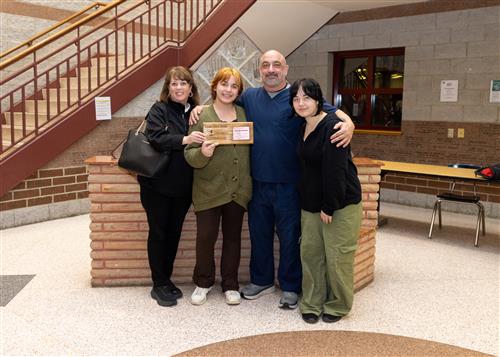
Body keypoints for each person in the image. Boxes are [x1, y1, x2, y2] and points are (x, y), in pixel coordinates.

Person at [190, 50, 355, 309]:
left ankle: (290, 286)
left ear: (285, 68)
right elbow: (224, 99)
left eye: (276, 65)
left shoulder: (297, 98)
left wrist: (350, 124)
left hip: (290, 184)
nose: (271, 70)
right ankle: (262, 280)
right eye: (265, 65)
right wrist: (200, 107)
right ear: (259, 70)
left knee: (290, 238)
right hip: (257, 183)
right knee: (260, 235)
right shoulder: (250, 97)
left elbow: (333, 113)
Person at [290, 78, 362, 324]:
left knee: (337, 256)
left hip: (339, 204)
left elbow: (336, 171)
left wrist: (329, 206)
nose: (301, 103)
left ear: (319, 100)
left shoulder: (334, 126)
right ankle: (311, 302)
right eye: (296, 98)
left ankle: (338, 304)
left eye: (306, 98)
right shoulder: (303, 125)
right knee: (310, 254)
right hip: (310, 203)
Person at [138, 66, 205, 307]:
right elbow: (155, 138)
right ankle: (159, 284)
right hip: (156, 186)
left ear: (191, 89)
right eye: (174, 84)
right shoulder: (159, 109)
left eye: (183, 83)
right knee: (158, 233)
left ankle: (166, 280)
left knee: (174, 234)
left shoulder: (195, 113)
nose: (178, 88)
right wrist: (185, 139)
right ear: (168, 88)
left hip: (182, 188)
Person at [185, 67, 251, 306]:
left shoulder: (244, 114)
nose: (228, 90)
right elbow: (189, 155)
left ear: (239, 91)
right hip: (208, 190)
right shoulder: (201, 116)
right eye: (224, 84)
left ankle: (230, 284)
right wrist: (203, 153)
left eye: (234, 86)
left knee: (233, 238)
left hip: (238, 190)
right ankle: (203, 282)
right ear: (215, 87)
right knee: (205, 238)